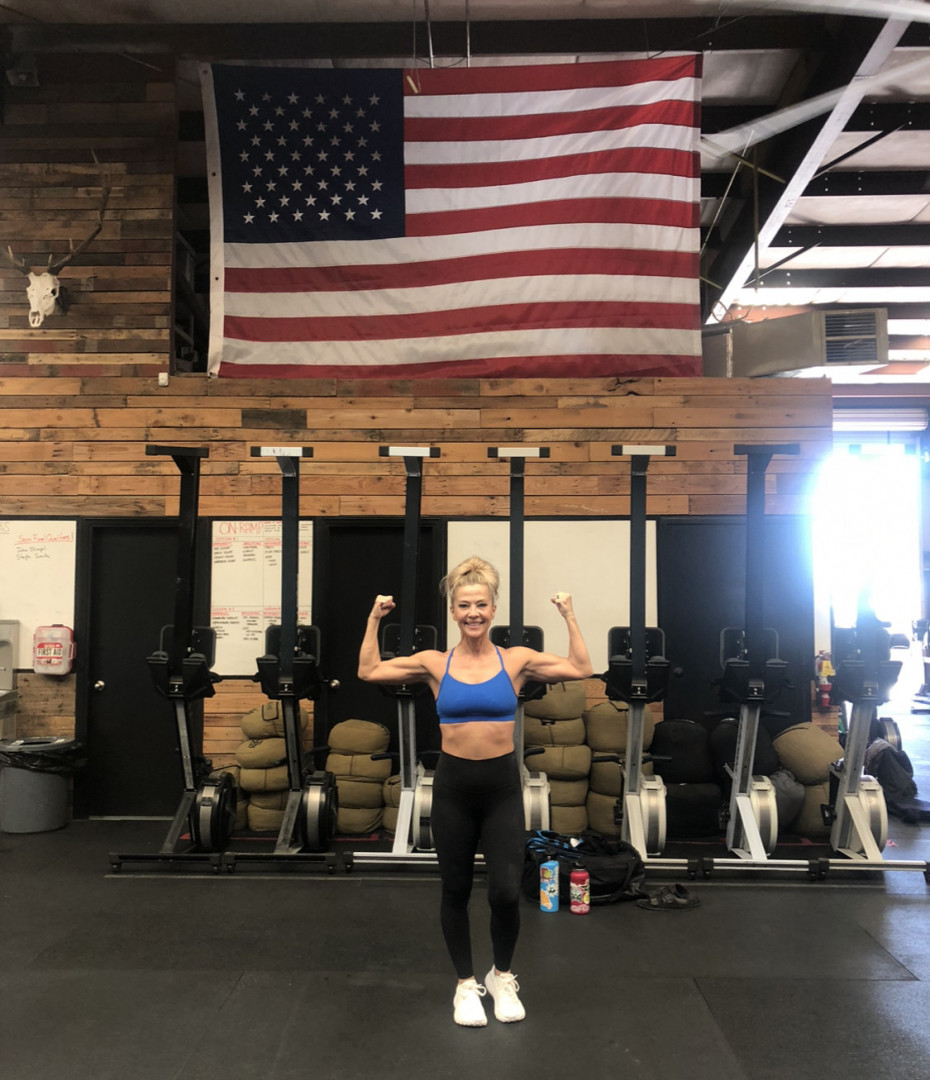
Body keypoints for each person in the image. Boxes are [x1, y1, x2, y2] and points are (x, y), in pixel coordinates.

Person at [358, 554, 594, 1027]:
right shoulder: (434, 663)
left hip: (501, 788)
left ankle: (501, 976)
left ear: (493, 609)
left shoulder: (516, 660)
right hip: (454, 789)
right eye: (464, 605)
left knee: (505, 892)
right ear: (453, 611)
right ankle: (465, 984)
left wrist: (568, 614)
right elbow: (369, 671)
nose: (473, 613)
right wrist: (374, 618)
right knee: (456, 888)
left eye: (481, 605)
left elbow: (581, 667)